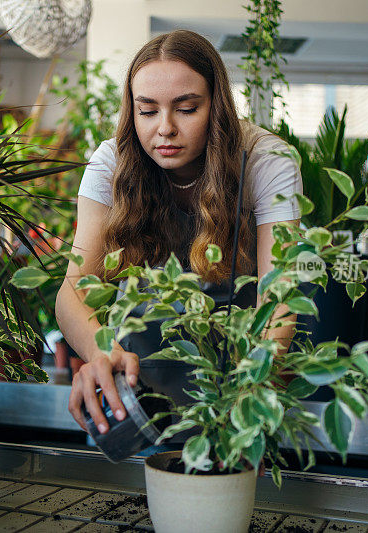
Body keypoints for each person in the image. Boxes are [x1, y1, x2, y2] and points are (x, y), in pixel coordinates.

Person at [56, 30, 302, 437]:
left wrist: (251, 406)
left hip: (242, 375)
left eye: (186, 108)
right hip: (142, 381)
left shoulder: (265, 161)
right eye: (147, 111)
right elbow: (75, 285)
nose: (165, 129)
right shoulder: (110, 164)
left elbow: (278, 301)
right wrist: (102, 354)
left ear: (217, 107)